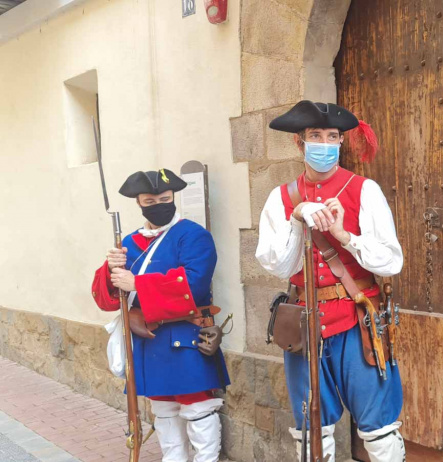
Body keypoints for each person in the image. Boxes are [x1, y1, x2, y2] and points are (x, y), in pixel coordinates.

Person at [255, 100, 405, 461]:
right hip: (303, 325)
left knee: (379, 429)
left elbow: (391, 261)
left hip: (357, 320)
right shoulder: (280, 198)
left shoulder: (364, 190)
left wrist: (344, 235)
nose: (324, 142)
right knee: (310, 433)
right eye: (315, 136)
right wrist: (296, 218)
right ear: (300, 143)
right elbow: (276, 265)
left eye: (332, 136)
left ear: (340, 142)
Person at [91, 169, 229, 462]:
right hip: (149, 337)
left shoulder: (193, 235)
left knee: (197, 408)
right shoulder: (128, 241)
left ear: (173, 197)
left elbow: (195, 284)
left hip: (186, 334)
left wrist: (137, 283)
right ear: (139, 203)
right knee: (163, 410)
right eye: (150, 201)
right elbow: (107, 300)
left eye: (165, 199)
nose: (159, 205)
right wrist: (109, 269)